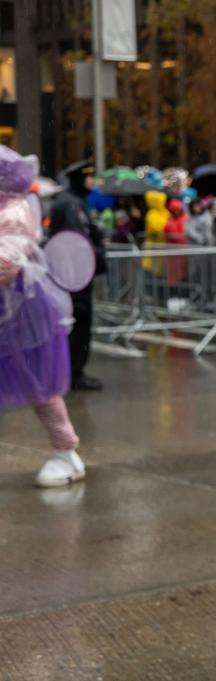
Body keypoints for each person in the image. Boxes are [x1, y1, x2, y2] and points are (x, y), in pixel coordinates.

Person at [0, 146, 86, 486]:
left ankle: (66, 453)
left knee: (40, 386)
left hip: (22, 316)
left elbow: (6, 262)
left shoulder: (12, 212)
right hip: (12, 313)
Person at [48, 159, 105, 391]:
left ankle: (72, 372)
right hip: (75, 275)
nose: (92, 180)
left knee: (78, 324)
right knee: (79, 324)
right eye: (88, 176)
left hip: (74, 274)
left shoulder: (74, 202)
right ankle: (74, 373)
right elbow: (77, 241)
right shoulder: (71, 204)